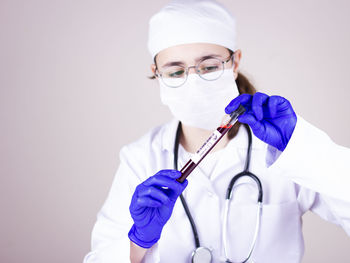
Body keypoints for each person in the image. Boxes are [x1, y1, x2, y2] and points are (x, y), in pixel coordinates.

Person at [83, 0, 350, 262]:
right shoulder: (140, 157)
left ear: (235, 63)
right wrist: (138, 240)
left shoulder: (282, 150)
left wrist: (304, 148)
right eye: (175, 72)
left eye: (209, 67)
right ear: (156, 73)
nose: (194, 82)